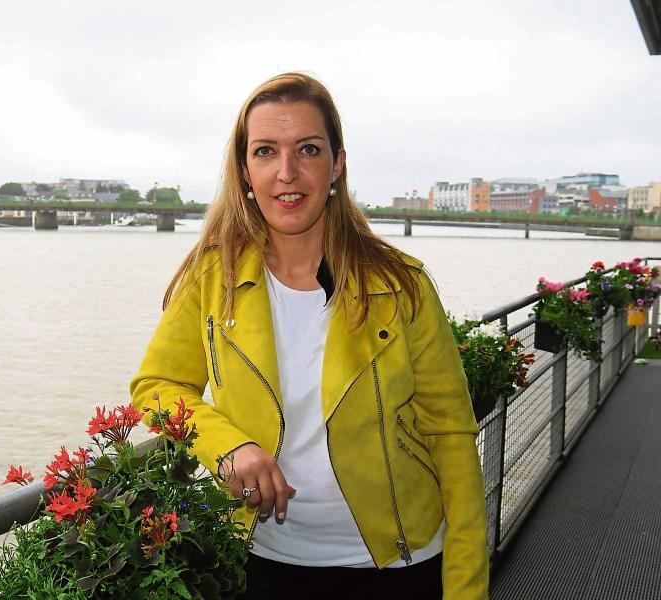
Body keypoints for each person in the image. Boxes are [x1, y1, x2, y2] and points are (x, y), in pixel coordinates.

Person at [131, 72, 488, 599]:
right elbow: (156, 386)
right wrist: (229, 447)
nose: (287, 173)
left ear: (337, 164)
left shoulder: (401, 286)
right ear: (244, 171)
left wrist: (465, 589)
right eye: (266, 152)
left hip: (400, 565)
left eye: (308, 149)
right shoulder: (213, 281)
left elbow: (452, 439)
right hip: (263, 564)